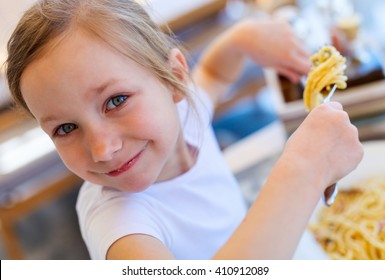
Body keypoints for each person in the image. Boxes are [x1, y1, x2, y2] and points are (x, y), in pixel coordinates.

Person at [5, 0, 363, 259]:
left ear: (175, 79)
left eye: (116, 101)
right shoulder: (119, 225)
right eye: (66, 127)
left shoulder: (185, 116)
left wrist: (241, 40)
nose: (102, 149)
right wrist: (303, 170)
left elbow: (214, 75)